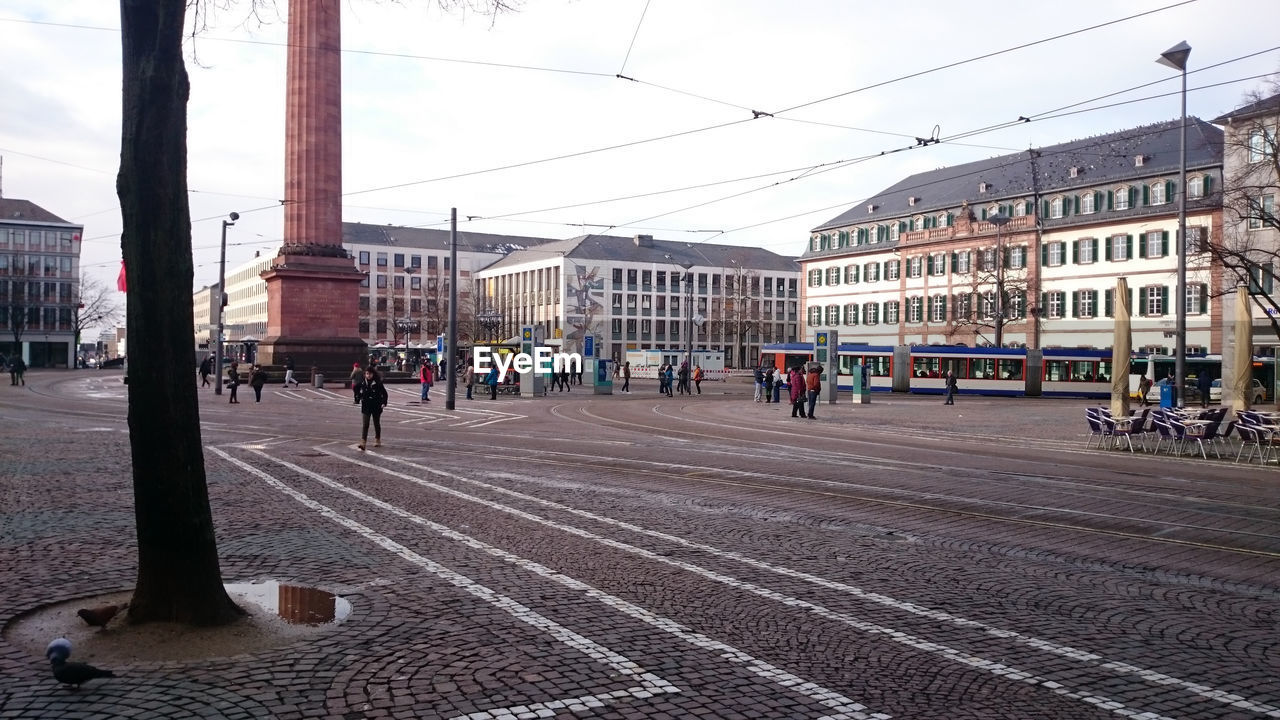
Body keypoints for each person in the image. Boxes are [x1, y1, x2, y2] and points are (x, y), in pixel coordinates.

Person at [355, 367, 388, 450]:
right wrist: (358, 396)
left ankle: (377, 439)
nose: (368, 375)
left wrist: (383, 403)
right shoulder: (363, 383)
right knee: (365, 424)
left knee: (376, 423)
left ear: (373, 374)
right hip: (366, 406)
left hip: (376, 406)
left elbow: (385, 393)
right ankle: (363, 442)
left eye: (370, 374)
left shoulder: (378, 383)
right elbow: (356, 388)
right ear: (365, 374)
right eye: (367, 374)